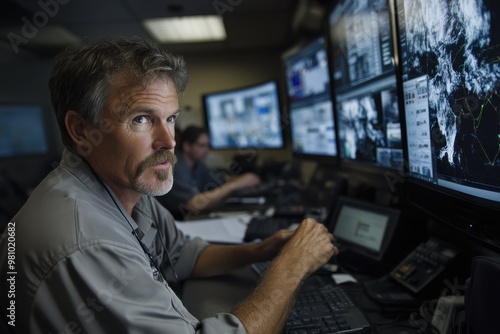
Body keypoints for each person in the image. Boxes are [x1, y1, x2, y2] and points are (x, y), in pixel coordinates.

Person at [0, 37, 337, 334]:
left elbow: (184, 255)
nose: (169, 141)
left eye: (171, 118)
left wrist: (262, 249)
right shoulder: (86, 242)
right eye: (141, 119)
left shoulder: (128, 187)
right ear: (81, 130)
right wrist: (292, 268)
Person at [158, 125, 261, 220]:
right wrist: (234, 185)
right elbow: (194, 205)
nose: (207, 150)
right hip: (178, 222)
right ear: (187, 146)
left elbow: (218, 182)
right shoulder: (176, 167)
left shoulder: (198, 165)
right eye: (202, 145)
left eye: (208, 146)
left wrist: (242, 181)